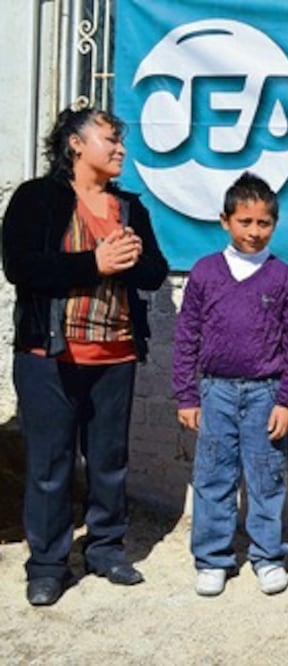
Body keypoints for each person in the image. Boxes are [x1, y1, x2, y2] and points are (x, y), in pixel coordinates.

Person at [1, 106, 169, 606]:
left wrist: (131, 261)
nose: (120, 148)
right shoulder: (37, 199)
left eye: (121, 142)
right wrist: (94, 262)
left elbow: (155, 274)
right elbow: (22, 267)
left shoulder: (128, 207)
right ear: (75, 144)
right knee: (50, 465)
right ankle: (48, 565)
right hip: (48, 354)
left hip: (114, 353)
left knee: (109, 460)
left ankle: (106, 549)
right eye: (109, 139)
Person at [172, 172, 288, 597]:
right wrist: (187, 394)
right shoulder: (206, 273)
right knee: (213, 476)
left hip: (266, 394)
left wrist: (287, 400)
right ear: (224, 221)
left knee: (267, 477)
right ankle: (213, 559)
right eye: (244, 222)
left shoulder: (282, 277)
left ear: (275, 225)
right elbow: (187, 336)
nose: (253, 232)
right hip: (216, 392)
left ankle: (267, 556)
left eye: (263, 223)